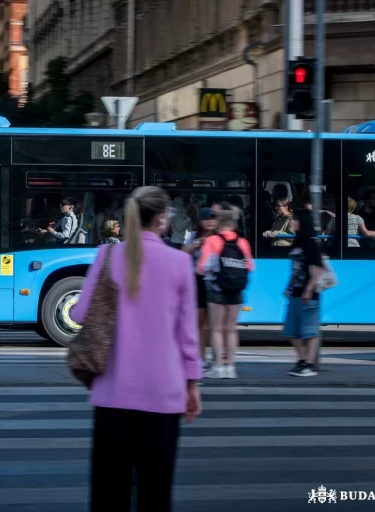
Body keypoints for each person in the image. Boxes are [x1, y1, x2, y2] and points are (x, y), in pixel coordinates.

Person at [70, 186, 202, 512]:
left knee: (108, 496)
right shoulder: (179, 262)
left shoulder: (107, 256)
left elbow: (79, 313)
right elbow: (187, 335)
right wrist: (193, 385)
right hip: (164, 395)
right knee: (155, 495)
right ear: (161, 219)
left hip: (113, 393)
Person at [197, 208, 254, 379]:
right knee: (231, 329)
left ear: (220, 224)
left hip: (217, 290)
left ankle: (218, 367)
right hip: (236, 291)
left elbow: (202, 267)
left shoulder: (213, 240)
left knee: (216, 329)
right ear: (234, 224)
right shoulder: (242, 242)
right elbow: (250, 266)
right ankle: (230, 366)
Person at [284, 209, 325, 377]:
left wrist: (309, 288)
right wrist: (288, 287)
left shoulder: (310, 242)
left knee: (309, 330)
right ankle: (301, 360)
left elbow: (317, 268)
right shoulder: (297, 242)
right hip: (296, 291)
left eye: (295, 219)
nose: (292, 222)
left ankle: (308, 364)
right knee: (292, 330)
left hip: (309, 293)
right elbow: (295, 270)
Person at [182, 207, 218, 370]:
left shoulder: (220, 237)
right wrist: (197, 244)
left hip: (216, 281)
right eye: (207, 219)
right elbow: (182, 253)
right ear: (200, 222)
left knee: (215, 324)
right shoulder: (193, 236)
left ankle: (218, 359)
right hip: (197, 281)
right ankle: (200, 357)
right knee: (199, 322)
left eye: (213, 218)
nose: (210, 221)